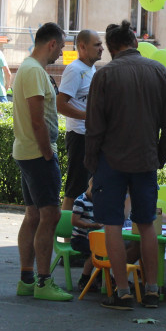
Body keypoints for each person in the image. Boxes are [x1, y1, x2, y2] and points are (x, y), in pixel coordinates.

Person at [86, 19, 166, 310]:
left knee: (112, 225)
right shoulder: (159, 71)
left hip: (110, 161)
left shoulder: (104, 75)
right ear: (135, 41)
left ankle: (122, 291)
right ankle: (151, 290)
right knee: (146, 225)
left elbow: (94, 128)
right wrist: (157, 158)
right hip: (145, 160)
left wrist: (92, 166)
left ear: (111, 48)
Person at [13, 22, 73, 302]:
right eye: (60, 47)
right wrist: (47, 151)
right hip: (37, 154)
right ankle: (43, 281)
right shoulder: (35, 72)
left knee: (34, 215)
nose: (60, 53)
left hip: (27, 152)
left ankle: (27, 279)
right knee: (50, 216)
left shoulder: (27, 68)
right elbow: (37, 119)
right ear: (51, 44)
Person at [57, 29, 104, 210]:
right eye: (97, 45)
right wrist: (90, 116)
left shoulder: (90, 68)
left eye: (101, 44)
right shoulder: (74, 69)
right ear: (82, 47)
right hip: (79, 137)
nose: (102, 48)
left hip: (91, 137)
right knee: (75, 190)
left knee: (89, 189)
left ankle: (82, 232)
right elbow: (60, 105)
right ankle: (64, 236)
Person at [72, 178, 101, 291]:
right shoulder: (80, 201)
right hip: (80, 238)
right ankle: (85, 278)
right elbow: (75, 221)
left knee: (105, 249)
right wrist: (92, 226)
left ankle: (99, 277)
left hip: (94, 237)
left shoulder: (100, 201)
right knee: (97, 251)